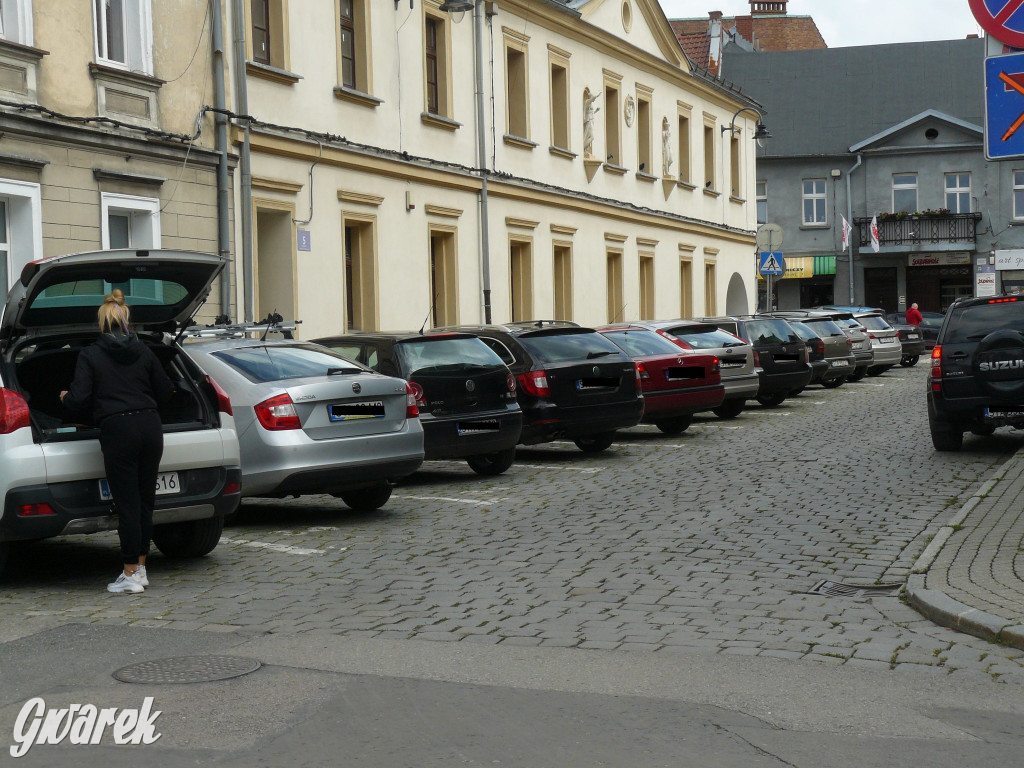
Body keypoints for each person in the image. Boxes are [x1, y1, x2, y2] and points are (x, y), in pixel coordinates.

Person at [60, 289, 174, 594]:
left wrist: (65, 397)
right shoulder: (144, 351)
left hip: (119, 430)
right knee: (146, 501)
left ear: (102, 323)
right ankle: (141, 569)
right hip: (150, 426)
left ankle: (129, 574)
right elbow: (166, 391)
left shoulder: (91, 355)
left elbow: (78, 399)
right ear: (126, 321)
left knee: (128, 505)